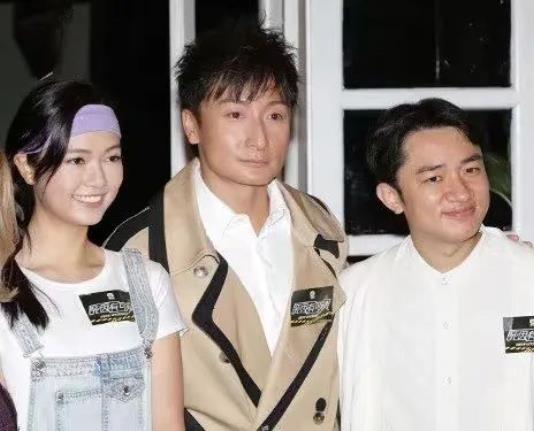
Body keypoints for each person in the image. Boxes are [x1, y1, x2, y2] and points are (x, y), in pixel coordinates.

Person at [105, 20, 347, 431]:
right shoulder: (137, 250)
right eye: (235, 114)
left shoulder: (322, 231)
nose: (259, 139)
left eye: (275, 115)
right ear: (191, 125)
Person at [339, 98, 534, 430]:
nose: (460, 192)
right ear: (392, 197)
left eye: (471, 170)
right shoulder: (357, 294)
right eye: (434, 178)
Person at [0, 80, 185, 431]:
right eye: (77, 160)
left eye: (112, 157)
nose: (98, 178)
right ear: (27, 167)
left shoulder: (146, 282)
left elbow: (168, 424)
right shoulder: (4, 290)